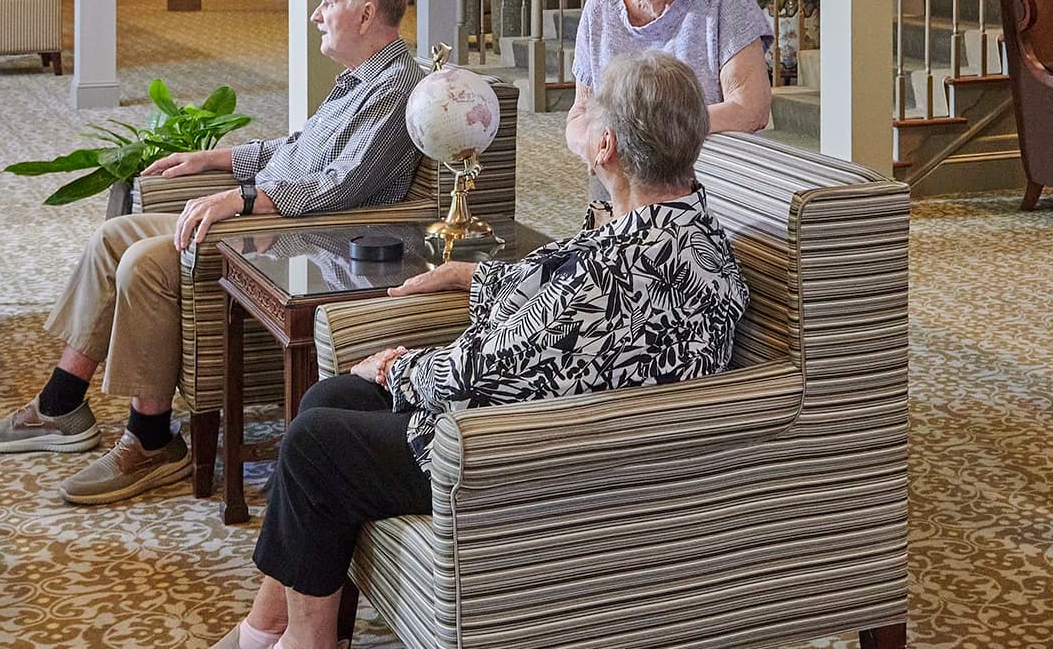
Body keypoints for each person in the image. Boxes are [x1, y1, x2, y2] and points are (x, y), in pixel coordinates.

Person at [213, 51, 749, 649]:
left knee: (316, 443)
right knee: (333, 396)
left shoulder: (617, 267)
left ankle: (300, 642)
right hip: (556, 422)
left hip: (520, 455)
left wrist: (395, 369)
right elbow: (566, 298)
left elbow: (493, 362)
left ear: (607, 148)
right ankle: (266, 628)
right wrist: (476, 277)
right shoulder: (694, 235)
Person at [0, 0, 425, 506]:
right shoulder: (359, 78)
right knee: (112, 237)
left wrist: (244, 196)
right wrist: (212, 160)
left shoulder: (397, 88)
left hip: (301, 237)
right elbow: (296, 150)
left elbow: (339, 187)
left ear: (366, 14)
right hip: (265, 213)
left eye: (328, 2)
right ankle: (62, 404)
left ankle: (152, 439)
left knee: (145, 261)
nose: (315, 15)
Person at [564, 0, 772, 222]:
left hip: (701, 192)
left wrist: (636, 138)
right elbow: (581, 112)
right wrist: (587, 143)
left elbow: (750, 109)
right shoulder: (601, 5)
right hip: (615, 191)